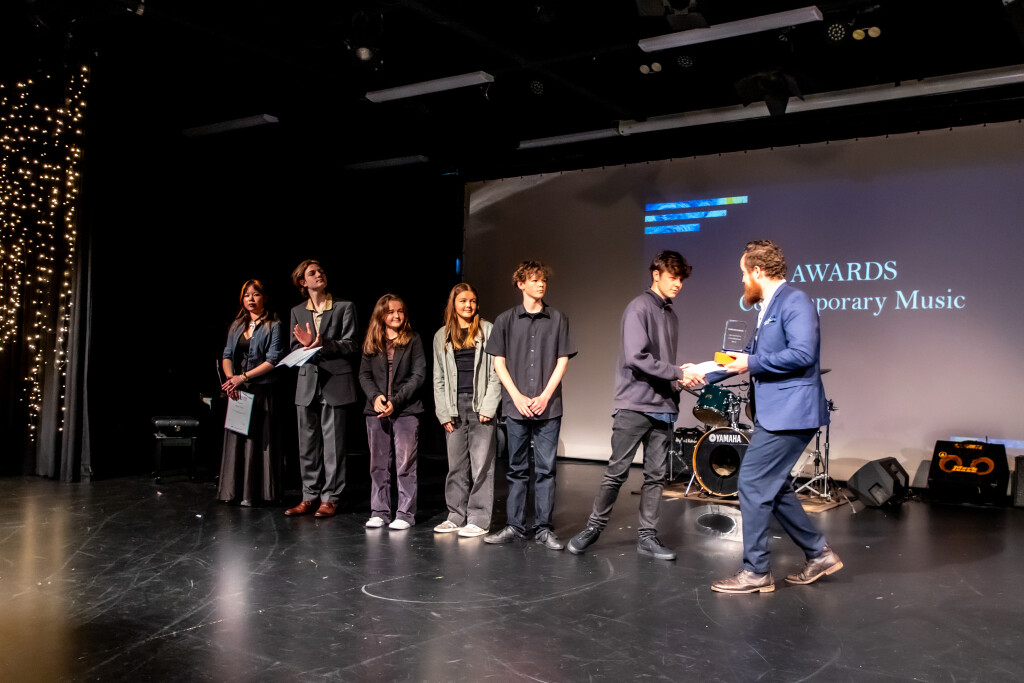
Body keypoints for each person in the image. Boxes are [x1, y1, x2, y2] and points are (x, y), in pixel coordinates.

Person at [707, 240, 842, 593]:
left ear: (757, 271)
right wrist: (701, 373)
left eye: (743, 273)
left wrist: (751, 362)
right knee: (774, 484)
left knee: (752, 482)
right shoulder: (768, 307)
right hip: (780, 412)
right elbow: (745, 358)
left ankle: (756, 572)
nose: (742, 280)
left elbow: (802, 354)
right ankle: (819, 554)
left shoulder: (794, 301)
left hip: (791, 412)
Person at [566, 251, 705, 560]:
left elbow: (662, 364)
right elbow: (636, 357)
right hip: (634, 405)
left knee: (655, 477)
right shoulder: (639, 307)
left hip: (663, 407)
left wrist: (680, 378)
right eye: (673, 277)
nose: (678, 284)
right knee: (616, 472)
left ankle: (647, 537)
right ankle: (593, 528)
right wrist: (677, 372)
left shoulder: (670, 315)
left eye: (681, 279)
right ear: (656, 274)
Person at [483, 261, 576, 550]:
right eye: (534, 279)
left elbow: (562, 360)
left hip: (549, 406)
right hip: (516, 406)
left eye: (543, 279)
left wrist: (546, 395)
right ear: (521, 284)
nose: (541, 284)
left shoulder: (558, 318)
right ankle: (515, 526)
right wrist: (517, 396)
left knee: (546, 469)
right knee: (516, 468)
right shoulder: (505, 320)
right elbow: (498, 363)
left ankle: (544, 528)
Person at [285, 259, 359, 518]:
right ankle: (309, 496)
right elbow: (294, 346)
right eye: (313, 273)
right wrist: (305, 346)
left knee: (333, 446)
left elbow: (351, 344)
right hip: (307, 383)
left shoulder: (344, 307)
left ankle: (330, 498)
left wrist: (321, 344)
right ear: (303, 282)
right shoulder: (297, 311)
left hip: (334, 382)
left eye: (321, 271)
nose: (319, 275)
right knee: (307, 445)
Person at [432, 283, 502, 538]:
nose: (468, 305)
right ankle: (455, 515)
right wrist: (443, 412)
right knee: (456, 465)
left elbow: (496, 372)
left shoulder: (488, 330)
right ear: (453, 304)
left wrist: (489, 406)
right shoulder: (442, 335)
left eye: (472, 300)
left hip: (480, 404)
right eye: (463, 300)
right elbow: (439, 377)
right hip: (453, 406)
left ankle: (479, 519)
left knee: (482, 465)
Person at [359, 294, 426, 530]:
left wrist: (395, 402)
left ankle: (405, 514)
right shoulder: (372, 341)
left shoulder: (413, 339)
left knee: (405, 463)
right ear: (381, 315)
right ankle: (379, 511)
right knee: (378, 464)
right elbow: (364, 375)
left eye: (400, 311)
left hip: (405, 409)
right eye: (390, 311)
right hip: (376, 410)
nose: (396, 315)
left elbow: (418, 375)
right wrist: (375, 397)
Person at [218, 279, 285, 506]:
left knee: (260, 440)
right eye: (247, 295)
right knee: (238, 437)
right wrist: (231, 379)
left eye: (255, 294)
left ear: (264, 297)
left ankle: (257, 494)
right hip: (239, 389)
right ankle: (233, 491)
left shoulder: (274, 325)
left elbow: (272, 360)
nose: (251, 298)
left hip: (262, 388)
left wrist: (243, 377)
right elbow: (227, 355)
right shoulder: (237, 325)